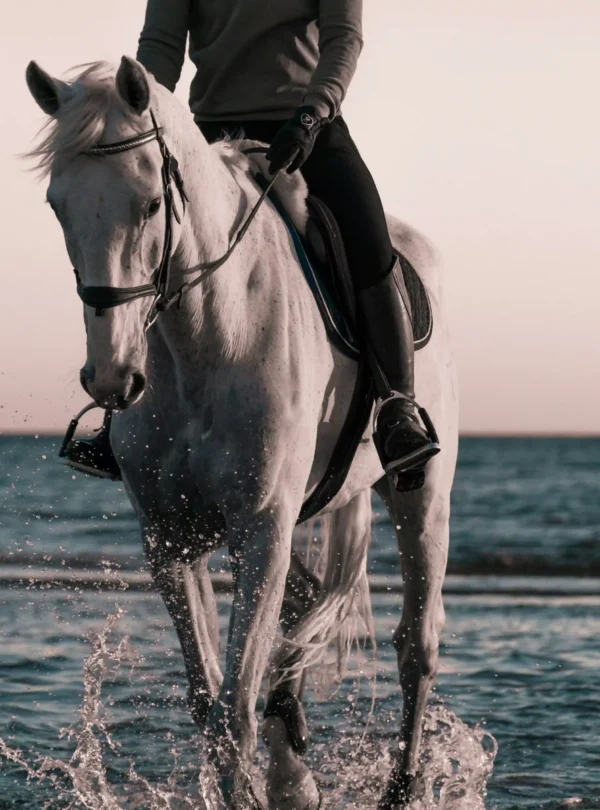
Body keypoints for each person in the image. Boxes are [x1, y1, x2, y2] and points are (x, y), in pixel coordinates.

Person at [64, 0, 439, 489]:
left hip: (307, 126)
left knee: (367, 239)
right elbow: (158, 50)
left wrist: (312, 114)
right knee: (149, 240)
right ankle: (123, 416)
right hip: (207, 131)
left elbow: (343, 39)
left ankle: (397, 409)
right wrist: (139, 115)